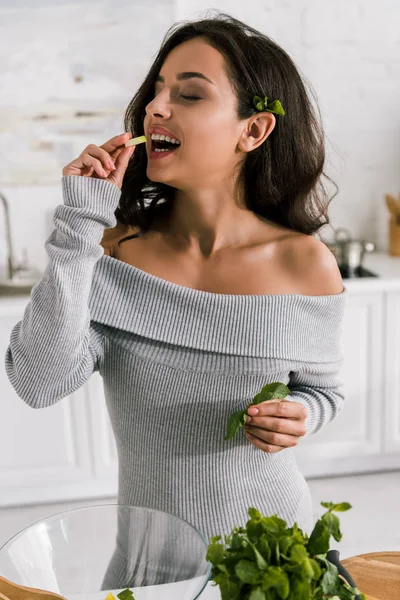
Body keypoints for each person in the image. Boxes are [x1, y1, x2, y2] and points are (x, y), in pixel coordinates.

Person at [5, 12, 345, 564]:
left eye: (188, 94)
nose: (156, 107)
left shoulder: (304, 264)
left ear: (253, 130)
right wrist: (78, 228)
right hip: (153, 565)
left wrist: (301, 415)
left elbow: (322, 392)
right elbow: (37, 382)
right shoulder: (113, 250)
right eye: (157, 91)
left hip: (280, 556)